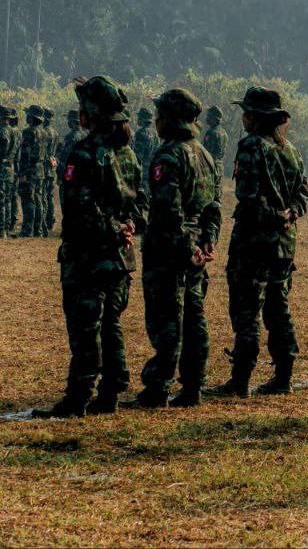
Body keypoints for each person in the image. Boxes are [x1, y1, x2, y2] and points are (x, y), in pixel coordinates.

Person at [33, 77, 146, 418]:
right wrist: (127, 229)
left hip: (88, 256)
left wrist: (114, 229)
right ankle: (110, 391)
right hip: (120, 257)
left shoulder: (83, 153)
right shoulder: (128, 153)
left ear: (90, 115)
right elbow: (141, 204)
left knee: (85, 328)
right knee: (109, 324)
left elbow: (79, 208)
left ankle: (78, 397)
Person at [209, 87, 308, 398]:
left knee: (246, 310)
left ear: (253, 117)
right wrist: (288, 214)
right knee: (278, 309)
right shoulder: (290, 149)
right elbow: (303, 195)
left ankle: (240, 380)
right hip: (283, 245)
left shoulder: (251, 146)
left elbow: (248, 197)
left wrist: (274, 216)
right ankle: (284, 375)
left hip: (254, 242)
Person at [131, 89, 221, 408]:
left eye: (160, 115)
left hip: (170, 252)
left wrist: (186, 248)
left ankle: (158, 387)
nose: (155, 121)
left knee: (167, 318)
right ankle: (193, 385)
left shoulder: (169, 154)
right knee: (194, 317)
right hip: (195, 252)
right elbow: (213, 208)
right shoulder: (205, 155)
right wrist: (205, 243)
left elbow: (170, 211)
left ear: (169, 119)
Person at [16, 105, 45, 237]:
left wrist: (22, 173)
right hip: (40, 170)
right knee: (37, 199)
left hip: (30, 170)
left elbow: (25, 154)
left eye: (28, 115)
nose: (26, 117)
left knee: (28, 199)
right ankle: (37, 230)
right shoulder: (43, 132)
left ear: (32, 118)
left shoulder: (28, 132)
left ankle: (28, 230)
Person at [55, 110, 82, 235]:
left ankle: (68, 229)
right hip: (82, 174)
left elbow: (65, 159)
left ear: (72, 122)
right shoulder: (85, 134)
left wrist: (61, 175)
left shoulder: (71, 137)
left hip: (70, 174)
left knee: (66, 202)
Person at [0, 106, 17, 238]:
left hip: (2, 169)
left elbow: (3, 147)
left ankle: (2, 230)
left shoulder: (3, 131)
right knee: (7, 199)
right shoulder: (15, 131)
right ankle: (6, 227)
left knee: (2, 199)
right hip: (10, 169)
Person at [41, 107, 57, 235]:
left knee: (44, 196)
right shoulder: (55, 133)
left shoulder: (44, 132)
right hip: (52, 167)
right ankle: (50, 220)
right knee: (50, 195)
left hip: (44, 167)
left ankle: (44, 222)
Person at [201, 105, 229, 174]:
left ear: (214, 118)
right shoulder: (224, 133)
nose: (207, 117)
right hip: (219, 168)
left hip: (210, 168)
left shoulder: (211, 132)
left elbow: (205, 154)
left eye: (209, 115)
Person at [132, 107, 158, 178]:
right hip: (151, 169)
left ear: (141, 119)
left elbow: (138, 156)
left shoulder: (140, 133)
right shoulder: (154, 134)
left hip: (142, 171)